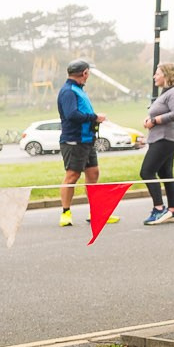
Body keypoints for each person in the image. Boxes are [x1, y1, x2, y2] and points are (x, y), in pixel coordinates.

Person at [55, 60, 117, 228]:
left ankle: (96, 212)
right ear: (84, 73)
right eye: (88, 73)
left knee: (93, 174)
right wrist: (95, 117)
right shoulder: (68, 91)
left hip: (87, 140)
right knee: (72, 176)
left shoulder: (78, 90)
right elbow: (72, 114)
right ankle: (65, 213)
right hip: (74, 140)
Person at [138, 63, 174, 225]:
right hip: (161, 138)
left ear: (167, 75)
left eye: (157, 73)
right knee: (166, 174)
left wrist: (154, 120)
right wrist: (149, 119)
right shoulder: (166, 93)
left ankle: (159, 209)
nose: (154, 76)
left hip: (165, 139)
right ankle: (173, 211)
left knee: (147, 172)